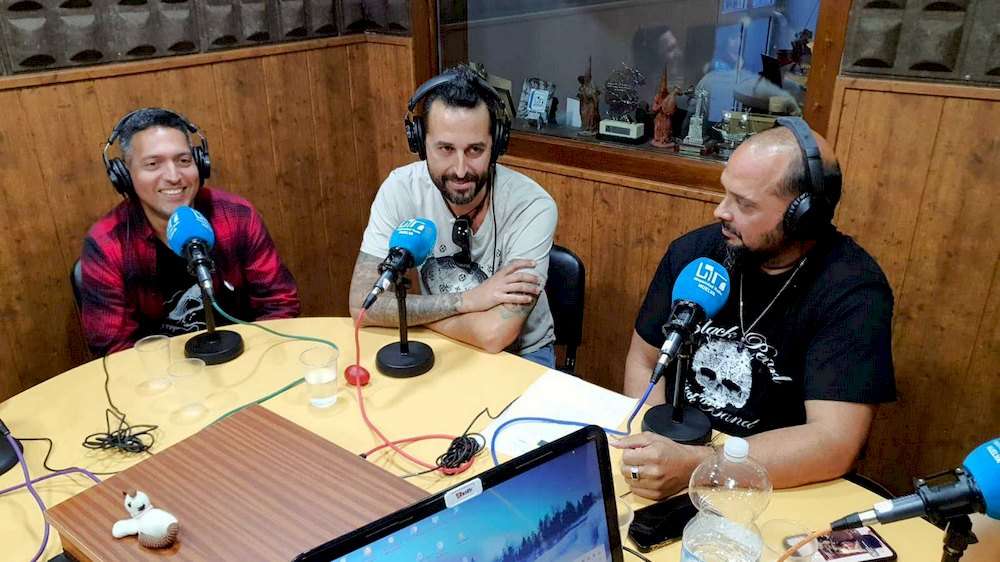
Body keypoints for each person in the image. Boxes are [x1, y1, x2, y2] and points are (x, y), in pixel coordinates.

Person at [614, 118, 895, 499]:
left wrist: (699, 465)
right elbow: (644, 360)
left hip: (771, 483)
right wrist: (653, 451)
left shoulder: (853, 292)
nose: (720, 211)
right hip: (672, 464)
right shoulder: (695, 254)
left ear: (803, 217)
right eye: (725, 193)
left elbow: (834, 441)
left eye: (744, 204)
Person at [349, 66, 557, 367]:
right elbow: (362, 303)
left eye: (475, 150)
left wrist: (410, 316)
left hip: (522, 355)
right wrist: (467, 300)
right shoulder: (400, 189)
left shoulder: (532, 206)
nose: (460, 170)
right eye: (445, 149)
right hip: (446, 345)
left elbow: (494, 334)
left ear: (497, 144)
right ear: (420, 142)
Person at [81, 108, 300, 356]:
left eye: (184, 161)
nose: (174, 176)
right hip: (162, 373)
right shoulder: (107, 244)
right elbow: (114, 350)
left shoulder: (237, 216)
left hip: (246, 356)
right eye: (152, 164)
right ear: (125, 176)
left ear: (200, 163)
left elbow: (279, 303)